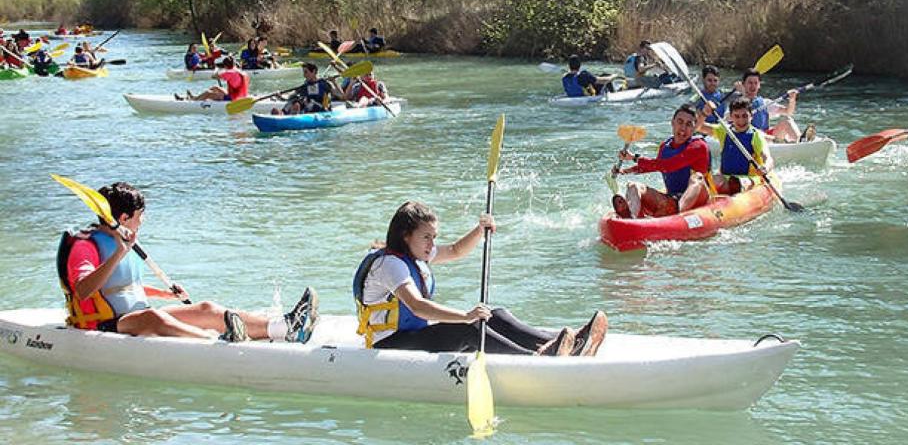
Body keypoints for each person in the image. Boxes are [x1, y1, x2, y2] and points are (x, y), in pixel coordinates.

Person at [57, 181, 319, 343]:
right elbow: (83, 291)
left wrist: (163, 293)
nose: (143, 221)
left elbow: (122, 286)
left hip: (134, 316)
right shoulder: (85, 246)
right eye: (140, 215)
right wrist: (118, 254)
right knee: (152, 318)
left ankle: (284, 327)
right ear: (124, 217)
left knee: (206, 309)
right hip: (105, 325)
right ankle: (216, 341)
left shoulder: (121, 241)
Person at [352, 201, 608, 356]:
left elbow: (455, 251)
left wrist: (480, 230)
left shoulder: (416, 253)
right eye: (427, 237)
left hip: (414, 335)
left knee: (494, 314)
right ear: (406, 236)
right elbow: (417, 306)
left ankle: (564, 341)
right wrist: (465, 315)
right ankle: (535, 357)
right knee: (471, 327)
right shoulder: (390, 264)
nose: (432, 243)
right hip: (390, 344)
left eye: (434, 236)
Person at [612, 104, 712, 219]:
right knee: (633, 186)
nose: (683, 128)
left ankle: (680, 216)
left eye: (689, 124)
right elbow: (656, 166)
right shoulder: (665, 146)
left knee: (697, 178)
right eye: (680, 122)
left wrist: (635, 158)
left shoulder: (699, 146)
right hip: (673, 199)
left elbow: (670, 165)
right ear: (672, 123)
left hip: (699, 200)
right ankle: (632, 220)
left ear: (694, 128)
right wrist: (624, 171)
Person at [697, 97, 774, 195]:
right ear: (731, 117)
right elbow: (699, 127)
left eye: (745, 116)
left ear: (751, 116)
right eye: (737, 116)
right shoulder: (724, 130)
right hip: (725, 176)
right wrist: (704, 114)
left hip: (749, 179)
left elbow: (768, 158)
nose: (741, 120)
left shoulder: (756, 135)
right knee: (706, 180)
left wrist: (765, 168)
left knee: (735, 184)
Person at [731, 68, 803, 143]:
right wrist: (743, 94)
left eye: (756, 83)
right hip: (750, 138)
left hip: (767, 139)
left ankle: (801, 142)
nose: (753, 86)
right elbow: (730, 120)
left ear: (759, 85)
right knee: (758, 133)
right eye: (750, 83)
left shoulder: (765, 103)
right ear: (744, 84)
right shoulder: (736, 103)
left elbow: (788, 112)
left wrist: (792, 99)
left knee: (787, 121)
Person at [273, 62, 344, 115]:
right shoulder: (305, 85)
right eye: (303, 72)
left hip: (322, 110)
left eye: (306, 72)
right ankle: (282, 113)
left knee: (309, 103)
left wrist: (334, 82)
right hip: (308, 110)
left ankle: (293, 116)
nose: (304, 75)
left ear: (314, 72)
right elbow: (291, 96)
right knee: (294, 100)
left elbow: (342, 96)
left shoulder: (325, 84)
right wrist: (280, 96)